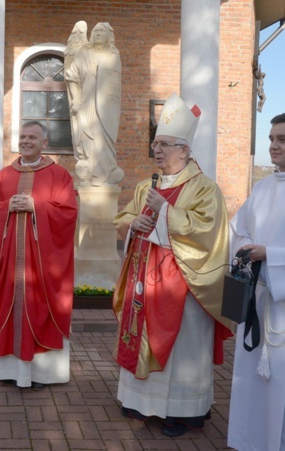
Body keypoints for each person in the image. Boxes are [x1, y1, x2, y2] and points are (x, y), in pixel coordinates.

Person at [113, 93, 232, 437]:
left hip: (185, 284)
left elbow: (209, 232)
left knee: (183, 351)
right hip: (144, 279)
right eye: (155, 143)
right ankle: (140, 401)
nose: (158, 150)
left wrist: (165, 212)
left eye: (165, 144)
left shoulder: (205, 189)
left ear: (185, 150)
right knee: (142, 338)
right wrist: (133, 223)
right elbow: (125, 218)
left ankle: (183, 412)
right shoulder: (145, 185)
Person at [0, 120, 78, 390]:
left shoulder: (59, 175)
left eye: (32, 137)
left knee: (41, 307)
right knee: (11, 307)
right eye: (23, 136)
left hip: (42, 265)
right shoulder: (4, 175)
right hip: (12, 261)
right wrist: (6, 206)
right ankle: (11, 371)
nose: (26, 141)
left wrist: (37, 206)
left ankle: (43, 374)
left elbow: (68, 212)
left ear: (44, 142)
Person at [228, 113, 285, 451]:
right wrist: (246, 248)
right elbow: (239, 228)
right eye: (272, 139)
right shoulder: (263, 186)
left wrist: (271, 255)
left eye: (282, 140)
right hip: (258, 294)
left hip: (281, 301)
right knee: (254, 380)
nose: (273, 146)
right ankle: (252, 440)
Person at [65, 22, 124, 187]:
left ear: (108, 37)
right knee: (87, 136)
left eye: (101, 31)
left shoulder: (113, 54)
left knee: (103, 139)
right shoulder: (83, 54)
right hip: (86, 104)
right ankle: (89, 172)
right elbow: (72, 78)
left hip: (105, 108)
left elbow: (114, 85)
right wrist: (76, 99)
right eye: (95, 31)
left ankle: (106, 172)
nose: (97, 33)